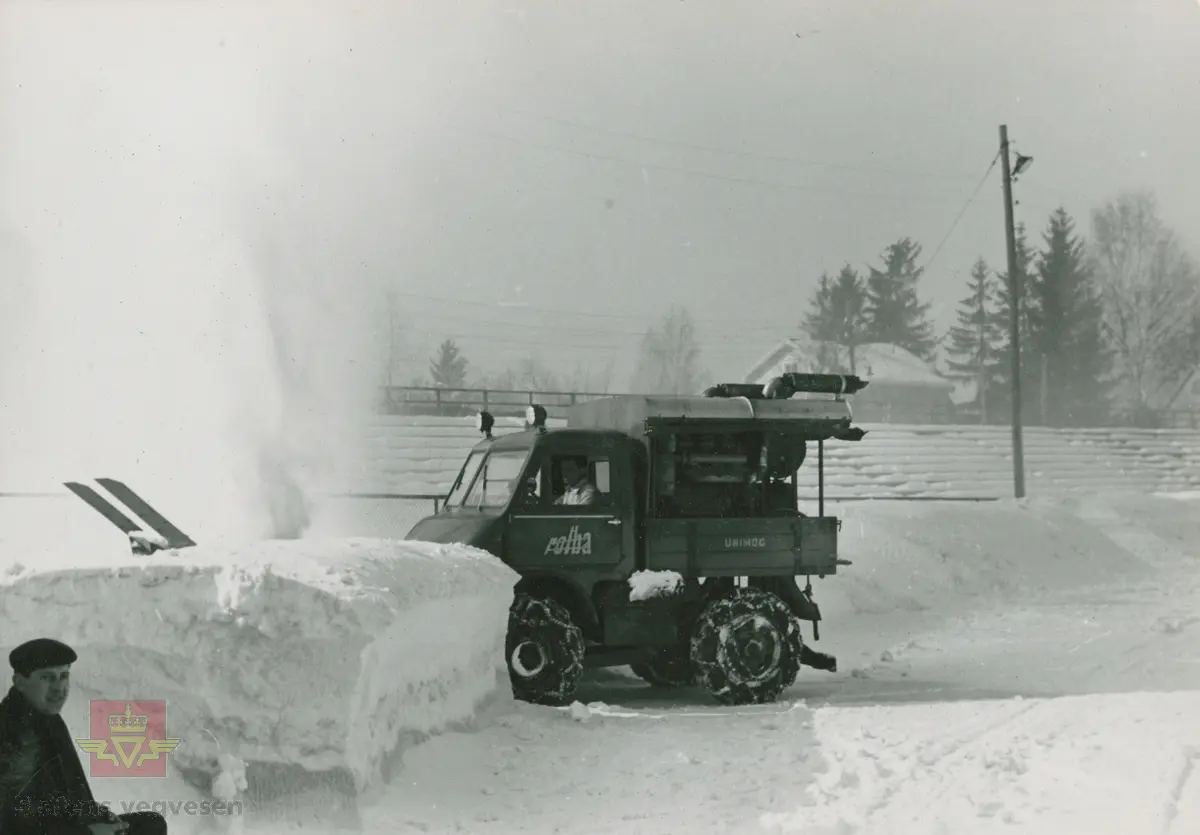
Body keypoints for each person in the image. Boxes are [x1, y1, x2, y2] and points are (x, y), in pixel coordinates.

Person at [0, 638, 168, 835]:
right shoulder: (14, 733)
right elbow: (12, 824)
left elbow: (58, 796)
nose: (58, 687)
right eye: (46, 678)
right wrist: (89, 832)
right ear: (19, 681)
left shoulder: (43, 717)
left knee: (149, 824)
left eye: (63, 676)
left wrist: (96, 813)